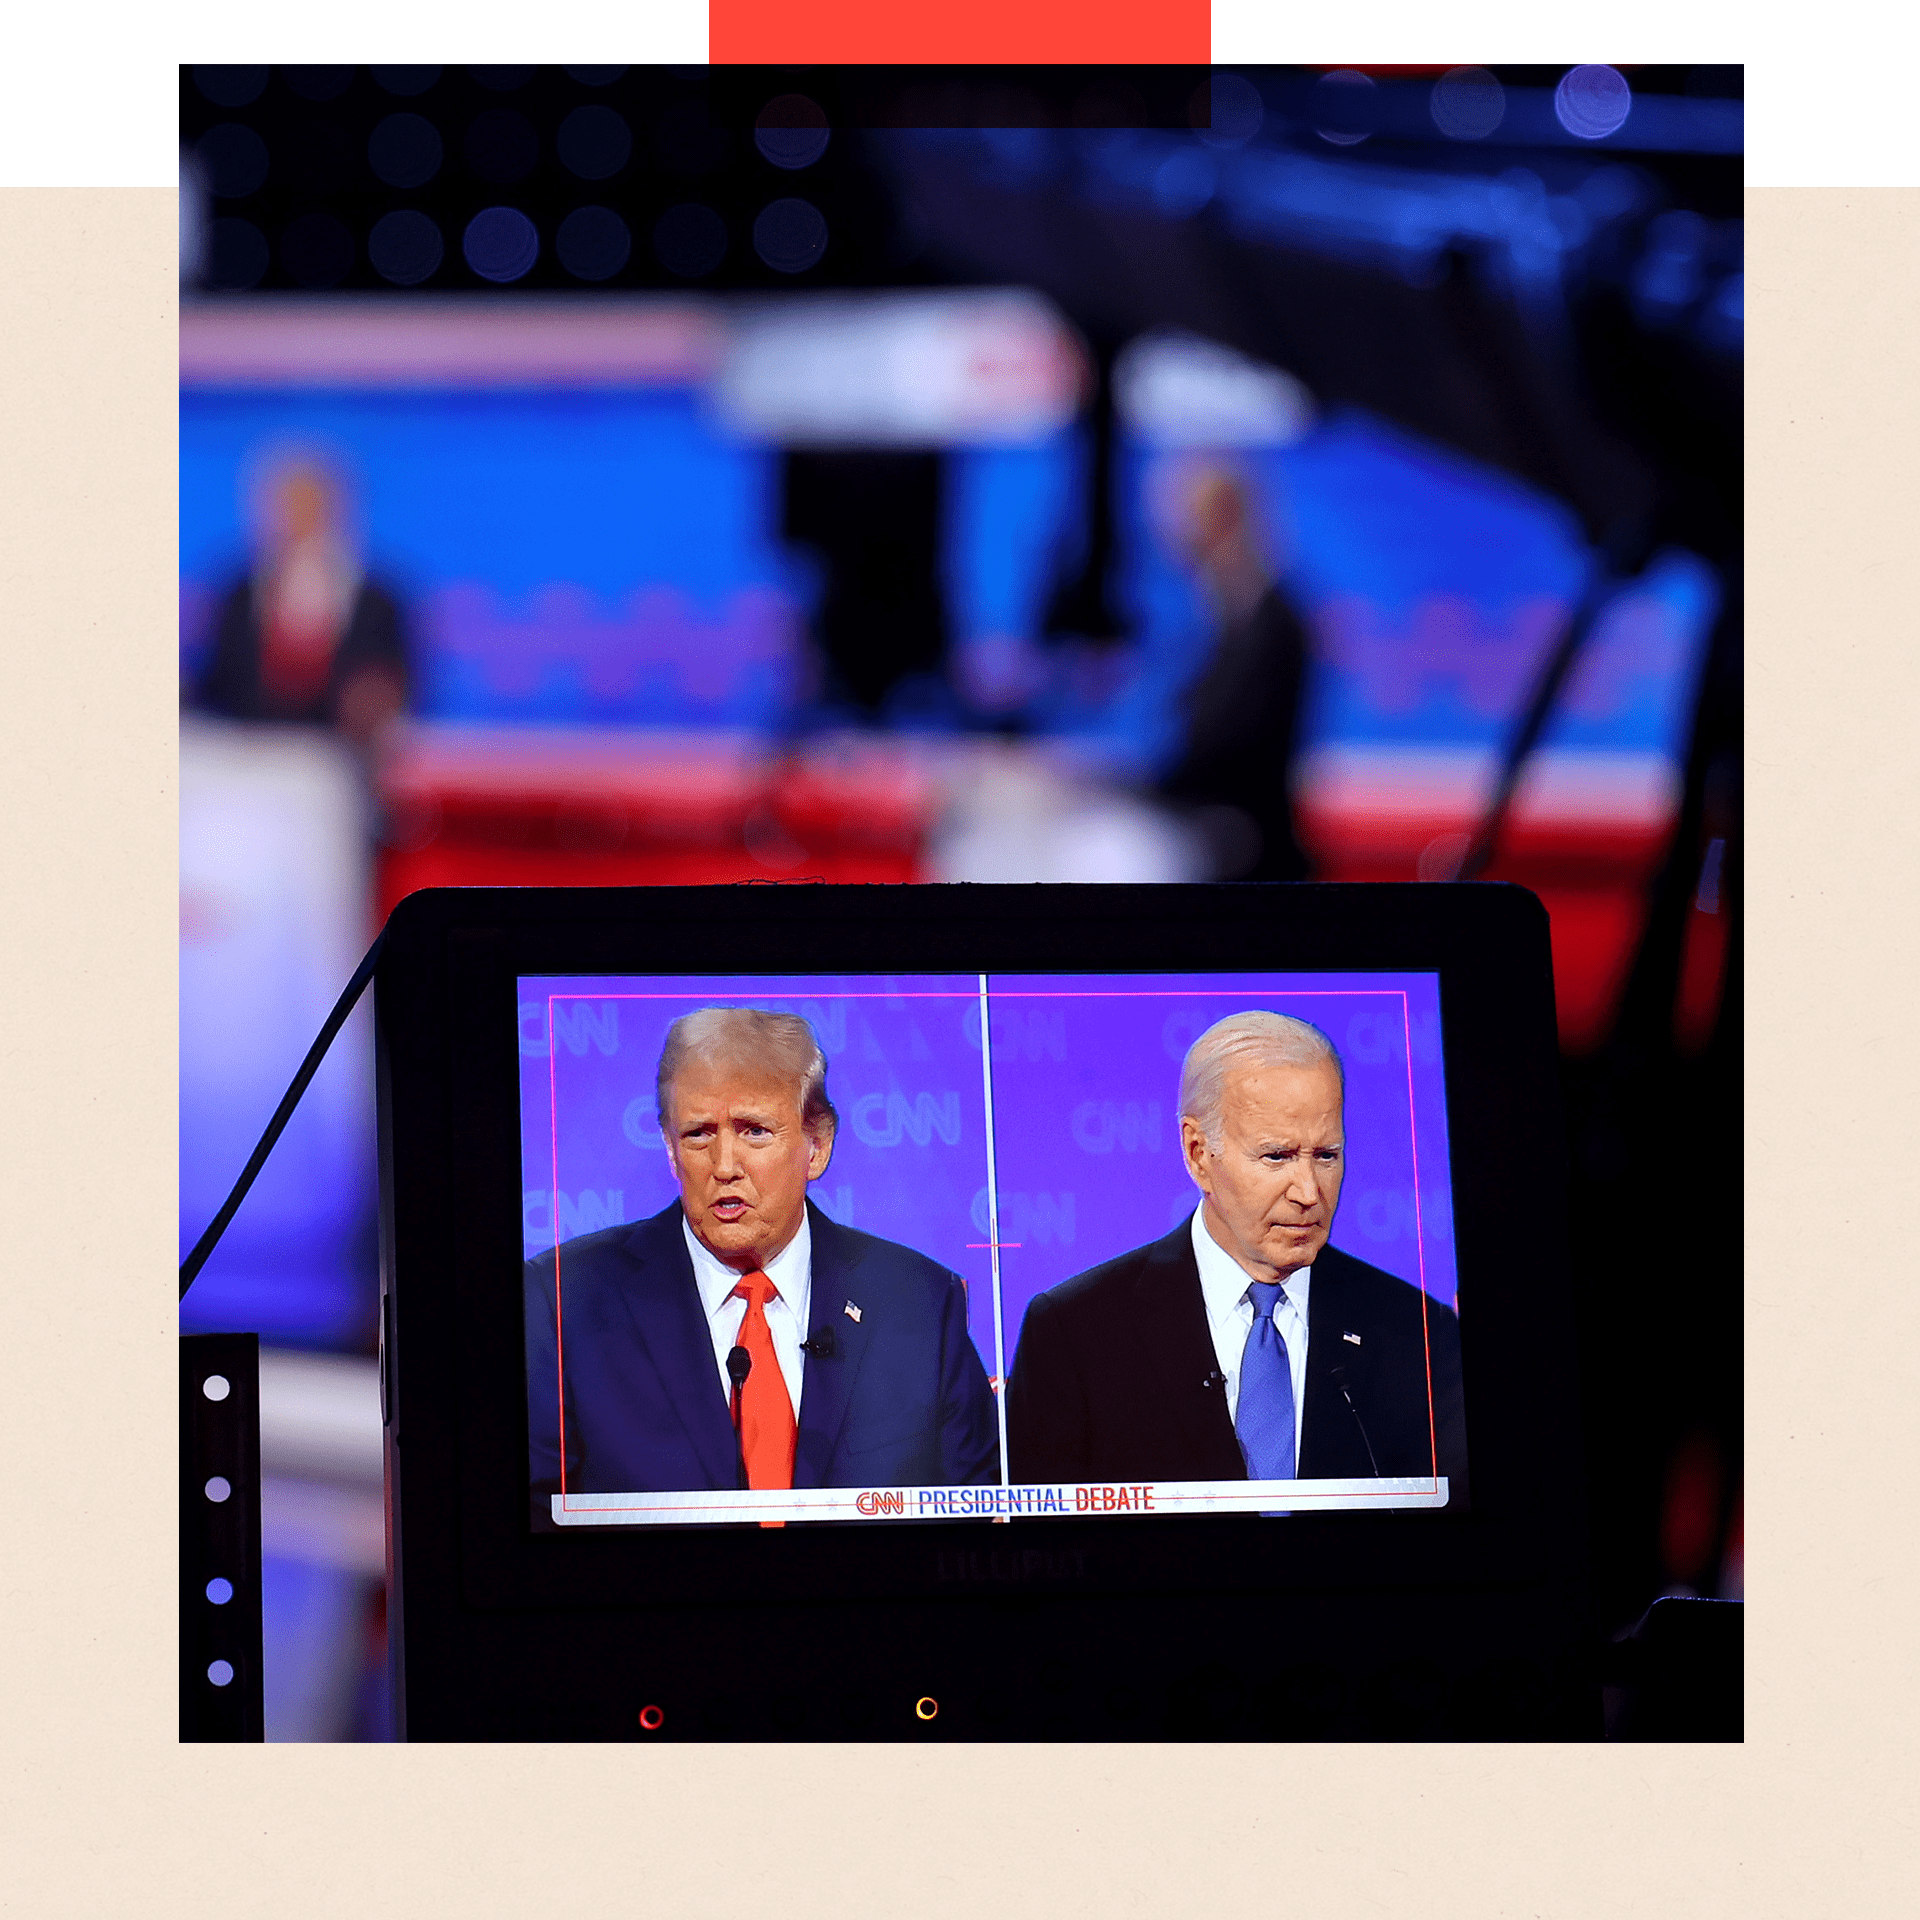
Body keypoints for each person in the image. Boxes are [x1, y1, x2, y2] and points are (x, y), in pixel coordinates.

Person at [524, 1008, 999, 1504]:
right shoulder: (564, 1300)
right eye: (699, 1133)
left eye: (754, 1130)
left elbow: (973, 1510)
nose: (725, 1165)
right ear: (669, 1148)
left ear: (816, 1146)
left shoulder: (919, 1302)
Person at [1005, 1011, 1467, 1500]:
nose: (1310, 1192)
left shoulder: (1418, 1333)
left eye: (1327, 1155)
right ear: (1198, 1152)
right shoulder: (1075, 1332)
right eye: (1277, 1156)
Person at [189, 452, 410, 749]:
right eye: (289, 505)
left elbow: (401, 688)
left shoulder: (378, 601)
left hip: (340, 759)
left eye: (312, 504)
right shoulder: (239, 594)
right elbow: (215, 685)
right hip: (248, 756)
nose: (300, 516)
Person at [1156, 465, 1313, 881]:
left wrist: (1138, 782)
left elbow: (1228, 742)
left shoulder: (1270, 624)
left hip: (1250, 850)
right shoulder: (1230, 619)